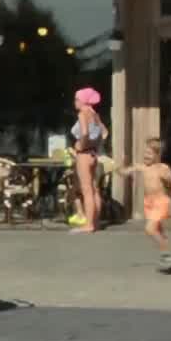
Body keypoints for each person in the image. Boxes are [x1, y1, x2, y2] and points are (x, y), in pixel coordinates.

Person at [125, 137, 171, 270]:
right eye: (145, 153)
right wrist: (120, 169)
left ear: (157, 155)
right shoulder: (143, 167)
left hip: (161, 201)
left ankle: (167, 255)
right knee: (159, 231)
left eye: (149, 153)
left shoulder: (163, 168)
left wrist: (168, 180)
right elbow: (127, 171)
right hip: (148, 203)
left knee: (150, 229)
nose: (146, 155)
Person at [70, 86, 106, 233]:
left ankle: (89, 225)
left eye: (76, 99)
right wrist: (94, 145)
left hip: (84, 155)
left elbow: (84, 133)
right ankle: (95, 222)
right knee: (94, 189)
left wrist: (82, 145)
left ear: (83, 101)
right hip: (93, 155)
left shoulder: (82, 113)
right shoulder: (95, 114)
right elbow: (104, 133)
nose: (75, 102)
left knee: (86, 190)